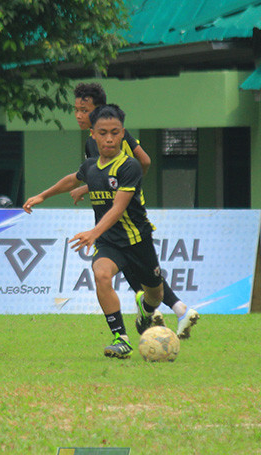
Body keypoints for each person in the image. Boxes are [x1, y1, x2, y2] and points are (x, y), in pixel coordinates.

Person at [24, 104, 165, 359]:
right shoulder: (91, 166)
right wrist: (42, 195)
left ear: (123, 134)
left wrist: (93, 231)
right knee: (100, 274)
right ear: (93, 135)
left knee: (156, 294)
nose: (109, 138)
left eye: (114, 132)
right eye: (102, 133)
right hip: (110, 242)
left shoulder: (129, 167)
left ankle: (145, 310)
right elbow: (73, 179)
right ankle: (120, 338)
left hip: (137, 241)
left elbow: (118, 208)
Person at [71, 83, 200, 339]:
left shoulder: (102, 139)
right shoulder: (112, 136)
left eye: (83, 110)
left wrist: (126, 186)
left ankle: (163, 309)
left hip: (124, 215)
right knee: (122, 270)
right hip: (125, 211)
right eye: (75, 110)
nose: (78, 115)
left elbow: (121, 171)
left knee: (140, 272)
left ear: (98, 111)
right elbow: (141, 162)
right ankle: (166, 312)